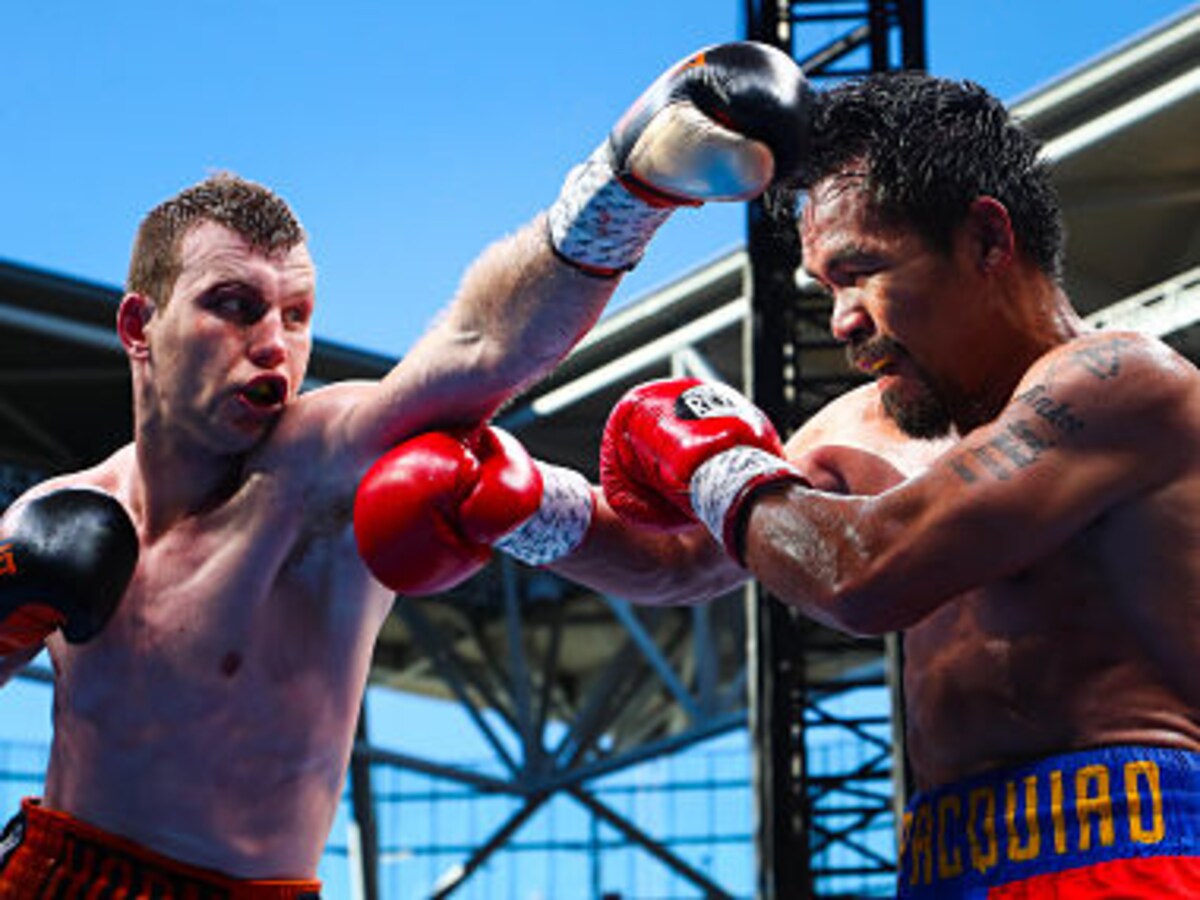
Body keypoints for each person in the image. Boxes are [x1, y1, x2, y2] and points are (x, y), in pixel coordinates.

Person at [0, 43, 813, 896]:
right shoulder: (66, 510)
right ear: (139, 326)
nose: (275, 345)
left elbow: (482, 342)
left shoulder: (317, 466)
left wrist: (626, 186)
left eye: (297, 314)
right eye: (234, 306)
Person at [364, 72, 1200, 897]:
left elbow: (867, 573)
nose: (841, 320)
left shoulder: (1121, 380)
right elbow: (687, 558)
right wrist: (520, 502)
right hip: (943, 864)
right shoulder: (858, 425)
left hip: (1135, 848)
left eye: (862, 270)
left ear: (987, 239)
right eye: (828, 288)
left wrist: (710, 461)